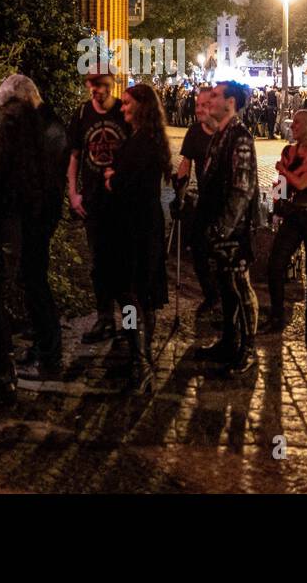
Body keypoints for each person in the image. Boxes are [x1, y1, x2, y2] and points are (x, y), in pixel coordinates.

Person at [0, 74, 68, 377]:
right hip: (37, 215)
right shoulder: (45, 124)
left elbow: (36, 178)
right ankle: (43, 347)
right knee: (32, 281)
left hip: (37, 217)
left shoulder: (45, 129)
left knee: (35, 283)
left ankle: (50, 354)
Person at [104, 83, 173, 393]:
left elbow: (126, 183)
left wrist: (111, 178)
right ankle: (142, 358)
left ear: (141, 107)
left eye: (128, 103)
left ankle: (140, 360)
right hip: (146, 225)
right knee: (143, 296)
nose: (123, 108)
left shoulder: (141, 143)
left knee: (131, 295)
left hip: (133, 227)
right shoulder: (150, 139)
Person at [195, 80, 261, 376]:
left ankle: (248, 349)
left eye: (217, 96)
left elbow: (242, 189)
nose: (211, 100)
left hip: (233, 231)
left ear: (231, 102)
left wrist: (223, 228)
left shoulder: (240, 137)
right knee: (226, 286)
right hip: (219, 227)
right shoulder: (221, 134)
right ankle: (228, 340)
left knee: (240, 286)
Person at [67, 71, 130, 345]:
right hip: (93, 202)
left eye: (102, 85)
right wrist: (73, 193)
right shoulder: (81, 114)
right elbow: (74, 157)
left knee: (124, 268)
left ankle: (130, 326)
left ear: (112, 85)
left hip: (120, 202)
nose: (97, 91)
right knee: (98, 265)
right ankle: (105, 319)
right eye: (92, 85)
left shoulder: (123, 112)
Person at [264, 110, 307, 341]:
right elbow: (281, 185)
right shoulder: (288, 151)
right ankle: (276, 316)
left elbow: (303, 183)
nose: (293, 126)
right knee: (275, 264)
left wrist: (283, 170)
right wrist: (276, 207)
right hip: (293, 215)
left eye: (298, 123)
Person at [173, 85, 220, 320]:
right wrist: (179, 191)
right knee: (198, 248)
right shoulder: (194, 131)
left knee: (223, 253)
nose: (198, 109)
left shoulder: (227, 131)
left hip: (226, 203)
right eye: (197, 104)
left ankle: (227, 301)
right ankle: (211, 295)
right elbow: (186, 162)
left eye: (204, 105)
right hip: (205, 198)